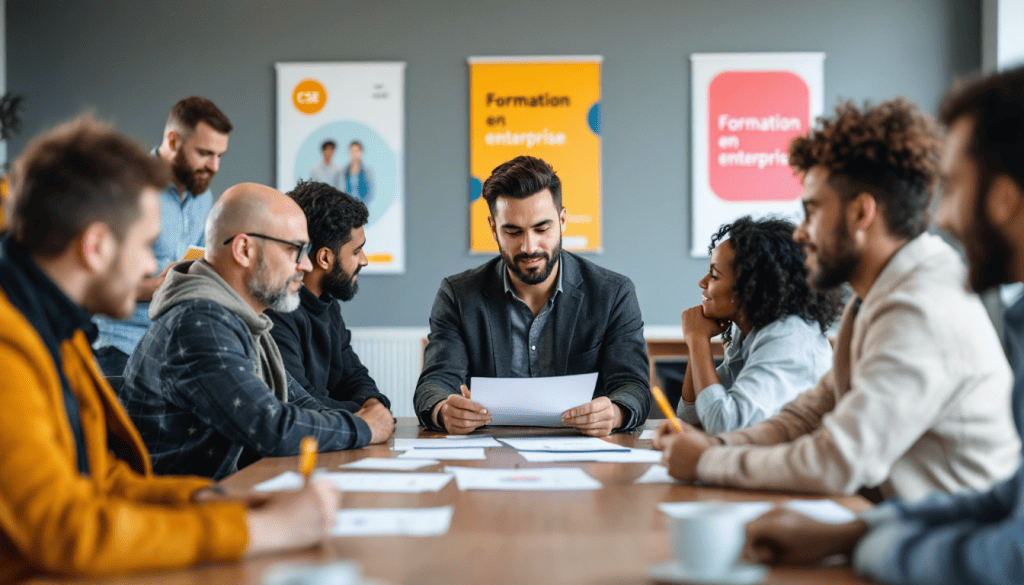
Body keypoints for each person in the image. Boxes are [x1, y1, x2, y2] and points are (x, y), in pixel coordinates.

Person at [0, 115, 339, 582]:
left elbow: (102, 481)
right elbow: (65, 531)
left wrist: (218, 500)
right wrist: (259, 531)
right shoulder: (9, 345)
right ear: (96, 247)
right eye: (146, 245)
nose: (152, 267)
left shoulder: (57, 329)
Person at [653, 97, 1020, 501]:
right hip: (900, 517)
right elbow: (808, 414)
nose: (800, 233)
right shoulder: (877, 296)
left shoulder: (920, 306)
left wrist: (707, 461)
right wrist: (718, 445)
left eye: (811, 211)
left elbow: (839, 460)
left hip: (952, 532)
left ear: (861, 214)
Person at [742, 65, 1024, 585]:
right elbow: (1007, 501)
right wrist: (849, 535)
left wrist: (871, 546)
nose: (943, 217)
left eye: (954, 188)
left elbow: (1012, 555)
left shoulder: (922, 303)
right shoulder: (877, 301)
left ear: (1006, 198)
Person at [119, 182, 394, 479]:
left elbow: (300, 403)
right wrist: (365, 427)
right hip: (175, 502)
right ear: (244, 250)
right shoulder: (200, 322)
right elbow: (270, 427)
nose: (305, 265)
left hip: (217, 492)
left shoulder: (243, 319)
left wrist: (367, 417)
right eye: (295, 250)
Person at [414, 155, 650, 436]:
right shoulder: (458, 295)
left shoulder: (613, 293)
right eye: (513, 232)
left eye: (542, 229)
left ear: (562, 220)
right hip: (489, 449)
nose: (529, 247)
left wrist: (615, 413)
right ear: (493, 229)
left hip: (582, 447)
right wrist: (443, 410)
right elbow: (435, 383)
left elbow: (633, 387)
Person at [93, 96, 232, 377]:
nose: (214, 166)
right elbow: (93, 285)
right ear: (173, 140)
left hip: (175, 343)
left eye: (219, 156)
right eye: (205, 153)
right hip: (119, 345)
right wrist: (154, 288)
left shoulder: (203, 196)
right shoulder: (125, 187)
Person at [676, 215, 843, 434]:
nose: (702, 282)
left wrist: (697, 339)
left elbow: (723, 424)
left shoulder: (787, 337)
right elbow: (690, 417)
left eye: (714, 275)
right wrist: (699, 341)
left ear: (749, 287)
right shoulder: (750, 332)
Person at [267, 180, 393, 423]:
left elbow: (354, 376)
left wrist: (373, 403)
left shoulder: (328, 304)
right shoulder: (276, 312)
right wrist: (365, 414)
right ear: (324, 258)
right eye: (356, 251)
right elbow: (300, 402)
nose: (364, 260)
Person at [343, 139, 373, 204]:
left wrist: (362, 205)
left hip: (362, 205)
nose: (354, 153)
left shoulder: (367, 171)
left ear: (361, 152)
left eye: (356, 151)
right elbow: (341, 189)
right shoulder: (344, 170)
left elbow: (370, 191)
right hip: (346, 205)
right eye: (352, 150)